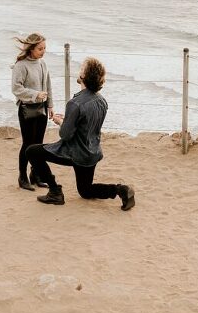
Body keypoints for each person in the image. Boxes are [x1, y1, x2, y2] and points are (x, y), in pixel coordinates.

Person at [26, 57, 135, 211]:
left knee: (32, 151)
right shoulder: (101, 100)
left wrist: (60, 122)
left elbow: (65, 135)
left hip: (75, 153)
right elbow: (87, 125)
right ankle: (121, 190)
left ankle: (55, 191)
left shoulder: (75, 103)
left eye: (82, 69)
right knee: (85, 190)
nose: (79, 70)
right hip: (92, 153)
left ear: (84, 76)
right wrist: (69, 119)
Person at [11, 33, 53, 191]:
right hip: (26, 110)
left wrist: (50, 105)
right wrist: (35, 95)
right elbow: (16, 89)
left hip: (41, 109)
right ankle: (22, 177)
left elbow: (48, 85)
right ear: (31, 48)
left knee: (38, 145)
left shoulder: (42, 63)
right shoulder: (21, 65)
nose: (43, 51)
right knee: (28, 144)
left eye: (45, 48)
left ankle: (35, 176)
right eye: (40, 48)